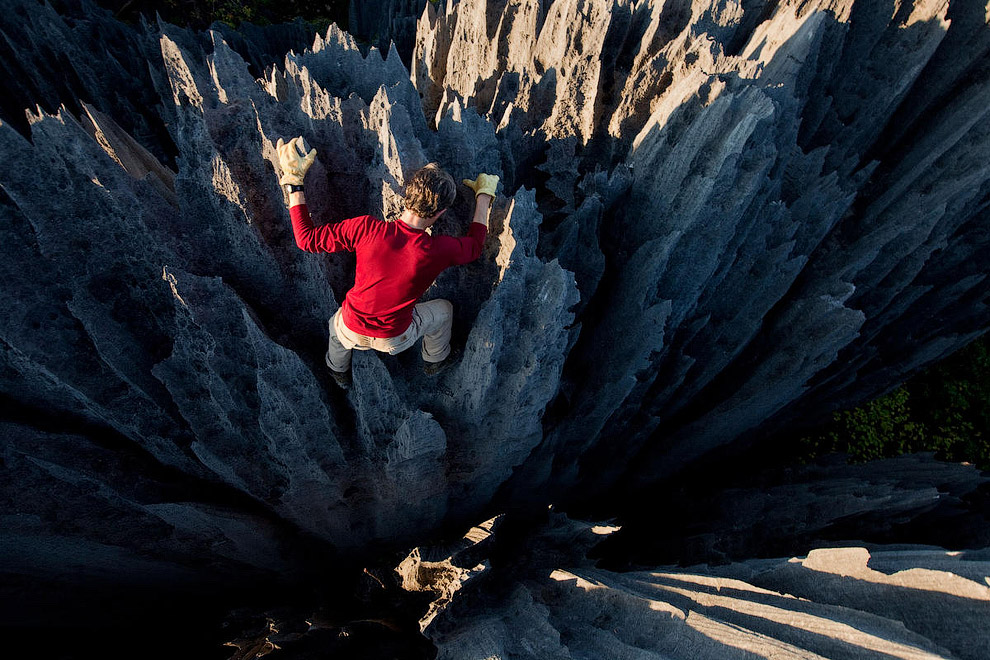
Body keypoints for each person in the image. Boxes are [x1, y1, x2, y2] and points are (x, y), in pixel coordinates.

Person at [275, 136, 498, 389]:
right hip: (395, 338)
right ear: (440, 213)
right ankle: (435, 359)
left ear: (407, 195)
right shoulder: (438, 250)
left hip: (351, 327)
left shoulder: (366, 228)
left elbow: (307, 240)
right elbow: (475, 246)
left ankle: (337, 371)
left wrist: (294, 182)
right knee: (444, 310)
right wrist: (483, 196)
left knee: (336, 330)